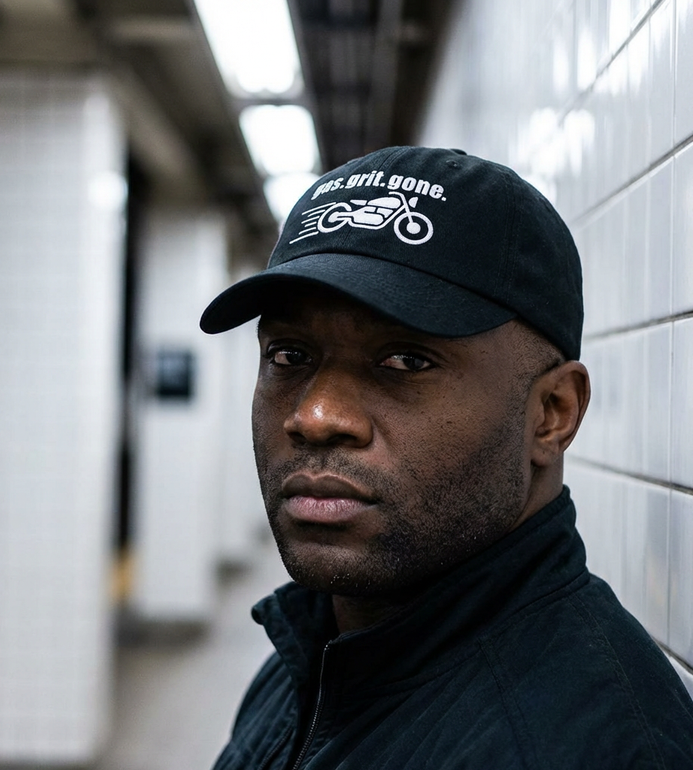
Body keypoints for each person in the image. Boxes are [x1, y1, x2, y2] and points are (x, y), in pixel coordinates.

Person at [199, 147, 693, 769]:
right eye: (289, 356)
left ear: (552, 413)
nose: (316, 416)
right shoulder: (316, 648)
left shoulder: (585, 749)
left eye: (405, 361)